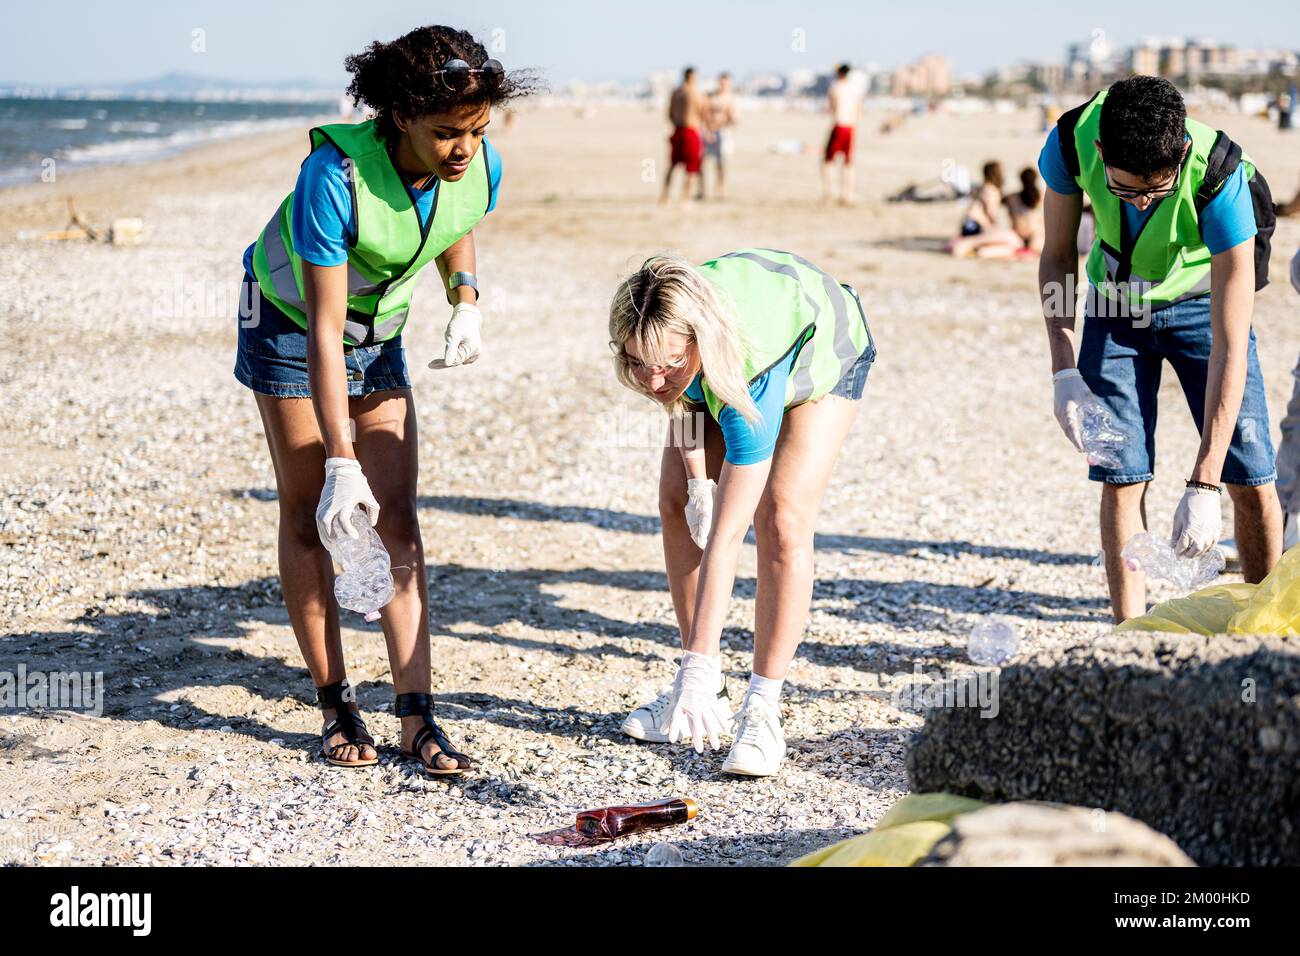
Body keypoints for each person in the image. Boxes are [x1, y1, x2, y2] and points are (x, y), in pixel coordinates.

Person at [234, 25, 530, 774]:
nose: (464, 149)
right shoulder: (332, 180)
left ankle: (415, 714)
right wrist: (340, 459)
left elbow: (452, 219)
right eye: (446, 134)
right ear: (399, 116)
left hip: (380, 328)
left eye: (476, 131)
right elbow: (325, 333)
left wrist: (464, 296)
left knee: (397, 515)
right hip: (293, 326)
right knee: (316, 514)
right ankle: (335, 704)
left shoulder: (476, 161)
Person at [608, 250, 876, 776]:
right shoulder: (659, 324)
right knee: (677, 501)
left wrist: (698, 664)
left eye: (666, 367)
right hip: (724, 351)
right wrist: (695, 483)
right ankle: (709, 688)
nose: (652, 380)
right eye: (639, 363)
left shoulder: (746, 363)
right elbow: (677, 401)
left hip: (822, 349)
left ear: (699, 345)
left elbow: (729, 537)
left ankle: (761, 708)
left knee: (779, 518)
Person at [1038, 75, 1281, 623]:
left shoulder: (1220, 176)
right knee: (1121, 474)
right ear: (1100, 154)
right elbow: (1057, 259)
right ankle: (1131, 635)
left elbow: (1231, 343)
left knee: (1251, 472)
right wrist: (1063, 370)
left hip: (1202, 303)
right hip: (1115, 303)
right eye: (1126, 190)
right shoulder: (1071, 140)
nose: (1142, 200)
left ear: (1184, 153)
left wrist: (1203, 483)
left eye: (1158, 188)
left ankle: (1269, 638)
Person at [949, 167, 1044, 258]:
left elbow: (992, 205)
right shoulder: (1041, 196)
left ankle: (975, 250)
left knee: (1011, 246)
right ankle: (977, 250)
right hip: (1035, 236)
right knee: (1016, 248)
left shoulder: (1011, 198)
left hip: (1017, 236)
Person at [662, 67, 708, 204]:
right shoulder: (696, 93)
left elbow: (669, 114)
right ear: (693, 77)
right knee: (691, 167)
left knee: (672, 165)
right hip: (691, 132)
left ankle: (665, 195)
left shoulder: (675, 92)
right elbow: (704, 113)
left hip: (677, 130)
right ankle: (685, 197)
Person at [822, 64, 860, 205]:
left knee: (829, 160)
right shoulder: (853, 88)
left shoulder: (835, 87)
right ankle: (848, 195)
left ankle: (830, 193)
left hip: (839, 125)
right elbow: (857, 108)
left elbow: (832, 107)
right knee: (848, 161)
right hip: (851, 127)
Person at [702, 72, 738, 200]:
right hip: (708, 132)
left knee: (721, 163)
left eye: (726, 82)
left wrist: (728, 119)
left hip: (723, 132)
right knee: (702, 162)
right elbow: (704, 113)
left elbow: (734, 120)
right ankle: (702, 190)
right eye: (721, 81)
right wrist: (708, 129)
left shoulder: (730, 98)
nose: (723, 84)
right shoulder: (710, 96)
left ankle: (721, 190)